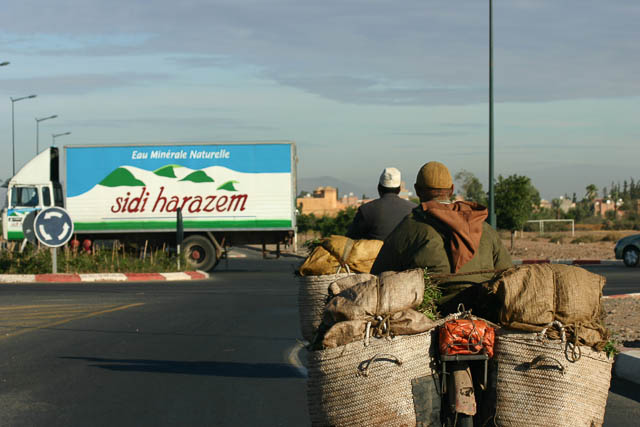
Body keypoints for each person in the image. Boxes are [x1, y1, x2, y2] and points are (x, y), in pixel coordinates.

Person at [371, 161, 512, 317]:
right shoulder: (482, 226)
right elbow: (508, 274)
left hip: (436, 315)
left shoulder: (410, 227)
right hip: (486, 313)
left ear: (417, 190)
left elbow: (378, 276)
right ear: (451, 190)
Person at [346, 167, 416, 241]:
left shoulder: (366, 210)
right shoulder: (414, 209)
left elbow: (350, 239)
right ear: (399, 190)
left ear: (379, 188)